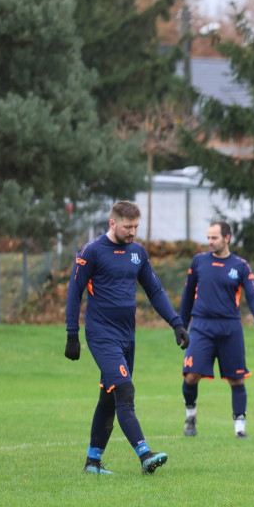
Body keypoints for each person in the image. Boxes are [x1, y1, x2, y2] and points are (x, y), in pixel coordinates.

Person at [65, 201, 189, 475]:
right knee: (124, 391)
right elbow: (74, 293)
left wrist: (176, 324)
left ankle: (92, 462)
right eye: (127, 227)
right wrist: (72, 334)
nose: (132, 232)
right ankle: (145, 455)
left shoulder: (137, 253)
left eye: (136, 226)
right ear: (112, 223)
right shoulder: (91, 252)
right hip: (101, 335)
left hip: (127, 337)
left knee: (108, 399)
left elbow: (154, 291)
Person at [180, 221, 254, 439]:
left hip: (230, 328)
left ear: (227, 238)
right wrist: (181, 327)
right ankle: (190, 416)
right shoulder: (199, 262)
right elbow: (187, 296)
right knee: (191, 376)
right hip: (201, 326)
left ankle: (240, 429)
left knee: (237, 379)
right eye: (208, 237)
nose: (210, 242)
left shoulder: (240, 266)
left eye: (214, 238)